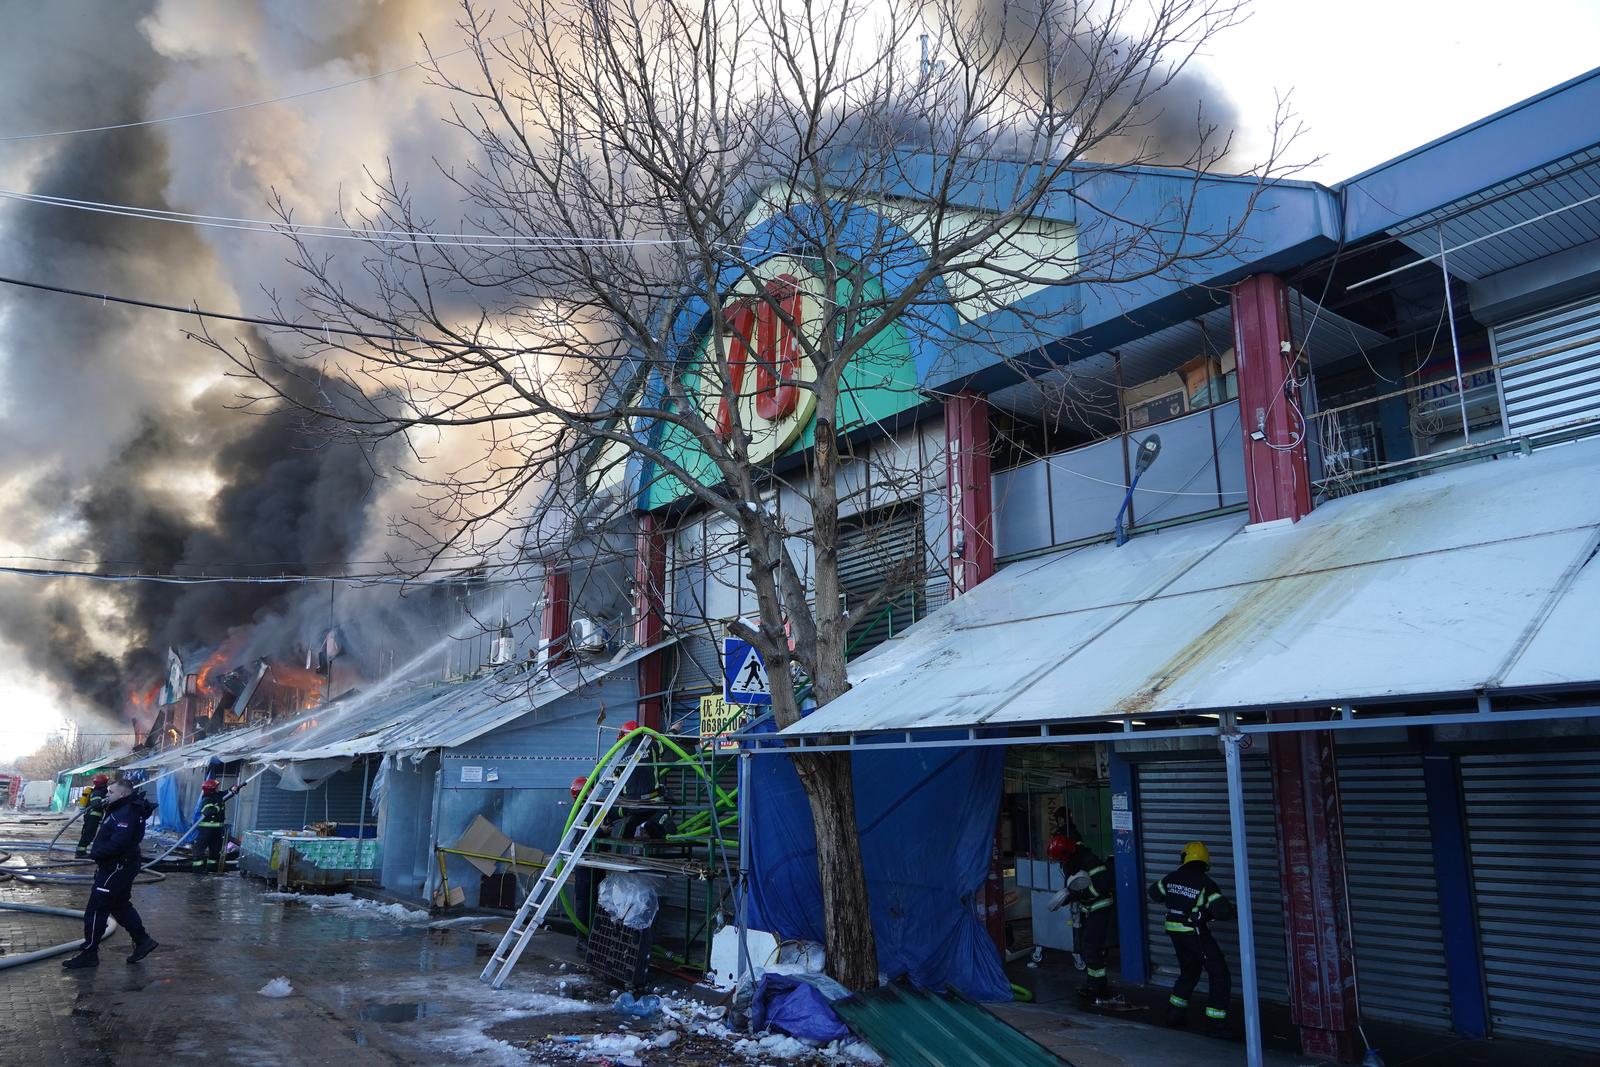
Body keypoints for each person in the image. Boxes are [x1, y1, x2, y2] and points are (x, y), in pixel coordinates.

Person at [62, 778, 159, 969]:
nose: (107, 795)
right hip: (117, 865)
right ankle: (142, 940)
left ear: (122, 794)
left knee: (97, 908)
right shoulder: (121, 808)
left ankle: (89, 953)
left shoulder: (126, 813)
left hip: (117, 866)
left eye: (110, 792)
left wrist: (96, 853)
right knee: (119, 905)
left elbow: (119, 843)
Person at [1148, 840, 1235, 1034]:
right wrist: (1226, 911)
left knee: (1189, 971)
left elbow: (1154, 893)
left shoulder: (1172, 877)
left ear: (1185, 857)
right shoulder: (1206, 883)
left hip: (1175, 933)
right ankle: (1216, 1023)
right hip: (1194, 933)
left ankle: (1174, 1013)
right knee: (1219, 974)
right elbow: (1222, 911)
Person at [1051, 838, 1118, 1004]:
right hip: (1088, 909)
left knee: (1090, 947)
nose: (1061, 862)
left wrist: (1077, 895)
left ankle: (1097, 987)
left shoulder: (1089, 861)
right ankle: (1095, 983)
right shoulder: (1074, 860)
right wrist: (1069, 895)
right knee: (1087, 947)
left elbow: (1101, 886)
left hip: (1099, 907)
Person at [191, 779, 229, 873]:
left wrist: (232, 789)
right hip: (206, 829)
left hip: (217, 829)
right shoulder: (206, 799)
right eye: (216, 787)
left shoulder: (217, 795)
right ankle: (198, 869)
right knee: (200, 849)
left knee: (215, 849)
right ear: (211, 790)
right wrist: (218, 806)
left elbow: (224, 794)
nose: (218, 789)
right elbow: (207, 811)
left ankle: (212, 868)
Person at [75, 774, 109, 857]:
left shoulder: (99, 791)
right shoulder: (98, 792)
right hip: (92, 816)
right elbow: (96, 804)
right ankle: (80, 853)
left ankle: (81, 851)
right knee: (88, 834)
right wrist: (105, 801)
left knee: (89, 834)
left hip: (93, 816)